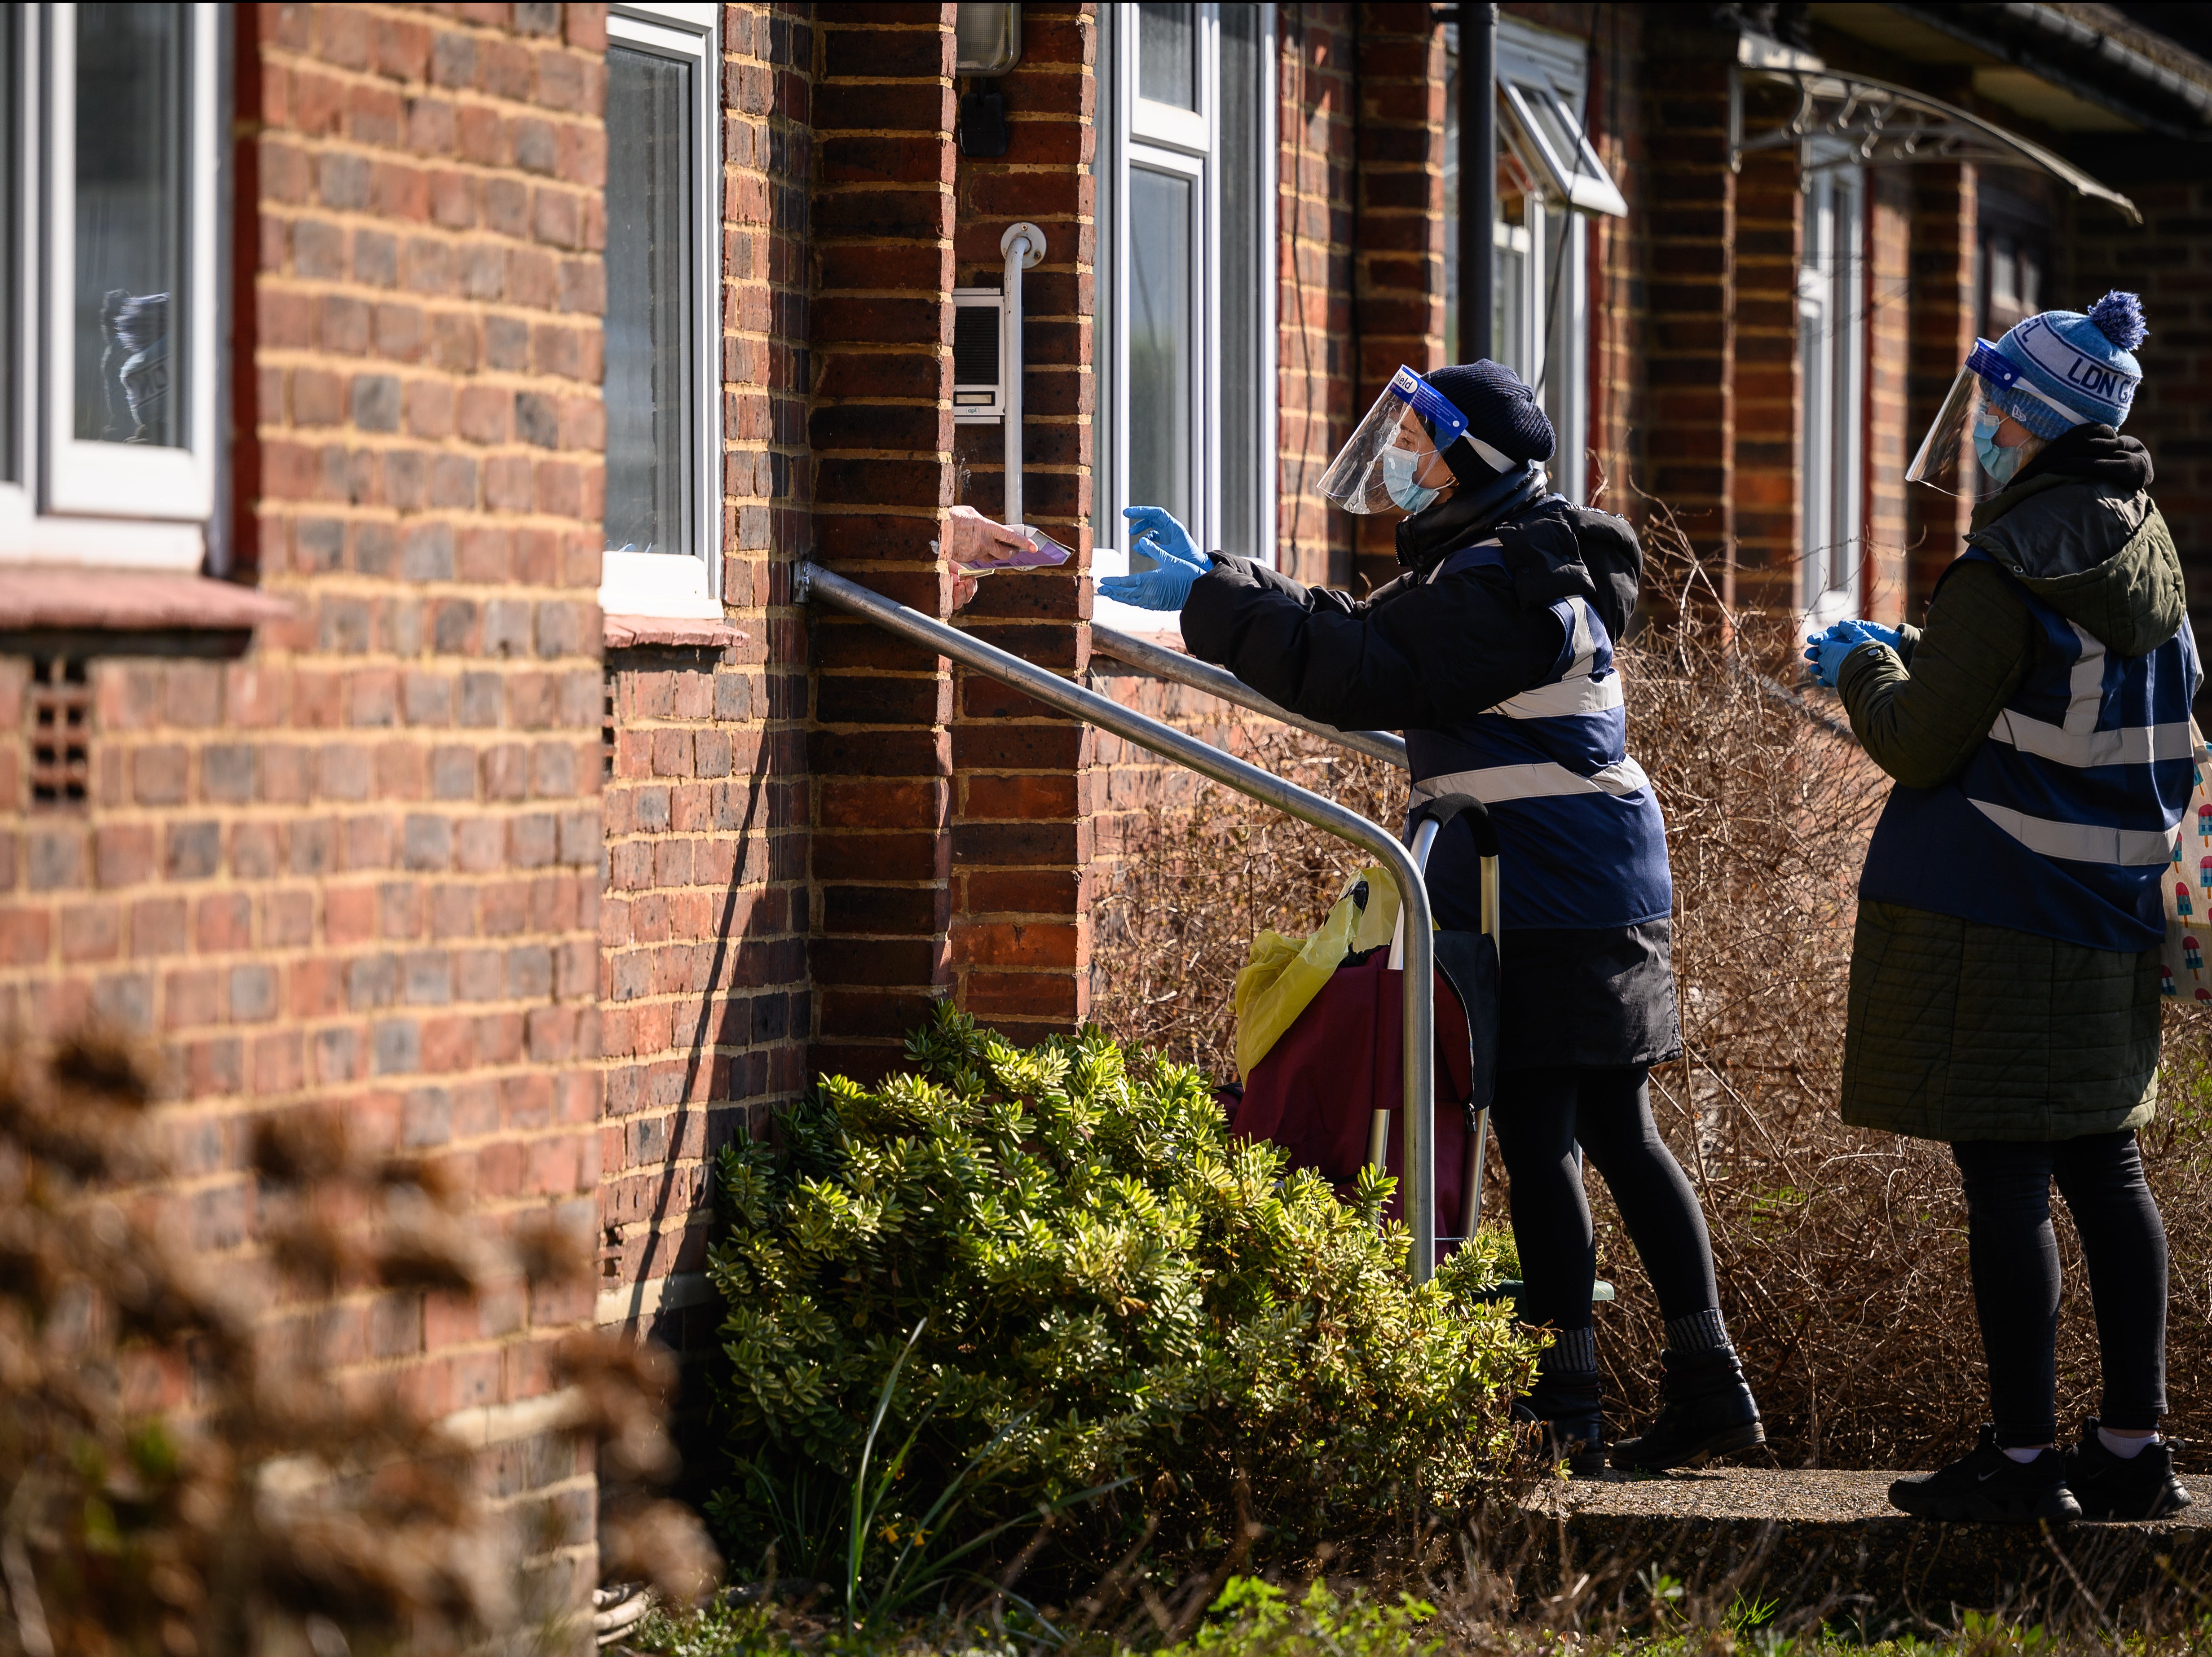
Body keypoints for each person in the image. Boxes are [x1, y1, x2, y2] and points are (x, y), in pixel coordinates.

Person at [1099, 361, 1762, 1473]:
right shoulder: (1505, 559)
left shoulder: (1500, 586)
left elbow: (1360, 669)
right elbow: (1367, 631)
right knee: (1613, 1134)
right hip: (1587, 885)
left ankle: (1573, 1415)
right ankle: (1708, 1392)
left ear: (1468, 463)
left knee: (1548, 1139)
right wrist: (1226, 578)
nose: (1398, 459)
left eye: (1415, 439)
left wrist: (1207, 610)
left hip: (1553, 895)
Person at [1806, 290, 2194, 1524]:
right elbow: (2061, 692)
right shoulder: (2137, 537)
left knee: (2004, 1179)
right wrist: (1939, 642)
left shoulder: (2002, 558)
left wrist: (1864, 663)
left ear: (2025, 422)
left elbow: (1921, 743)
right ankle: (2130, 1448)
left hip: (1998, 911)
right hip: (2109, 911)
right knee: (2106, 1166)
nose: (1971, 431)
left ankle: (2022, 1464)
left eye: (1985, 410)